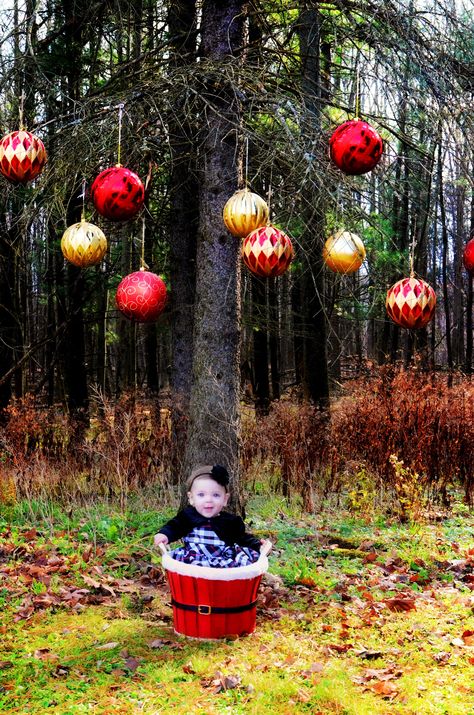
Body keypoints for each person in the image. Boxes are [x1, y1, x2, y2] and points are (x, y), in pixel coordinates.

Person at [154, 464, 271, 568]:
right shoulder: (188, 516)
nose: (208, 500)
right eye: (201, 495)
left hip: (222, 564)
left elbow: (242, 538)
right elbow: (174, 527)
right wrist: (164, 534)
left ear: (225, 499)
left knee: (243, 563)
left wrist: (258, 546)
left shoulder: (230, 521)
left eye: (215, 495)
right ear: (191, 498)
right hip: (193, 562)